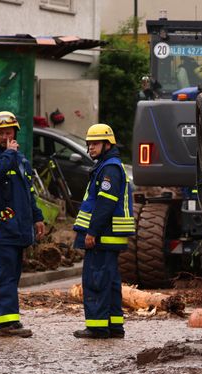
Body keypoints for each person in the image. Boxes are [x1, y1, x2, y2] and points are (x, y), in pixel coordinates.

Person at [0, 110, 43, 338]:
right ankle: (9, 324)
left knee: (4, 277)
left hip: (15, 231)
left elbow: (28, 192)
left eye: (9, 132)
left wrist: (37, 217)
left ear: (15, 133)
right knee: (3, 277)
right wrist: (8, 155)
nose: (6, 137)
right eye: (1, 133)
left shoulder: (20, 159)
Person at [73, 123, 135, 339]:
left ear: (108, 145)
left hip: (103, 236)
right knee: (110, 282)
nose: (90, 147)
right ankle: (114, 325)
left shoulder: (109, 169)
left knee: (96, 281)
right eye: (89, 143)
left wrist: (92, 232)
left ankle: (97, 327)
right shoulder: (108, 166)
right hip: (108, 235)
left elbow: (105, 204)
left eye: (95, 143)